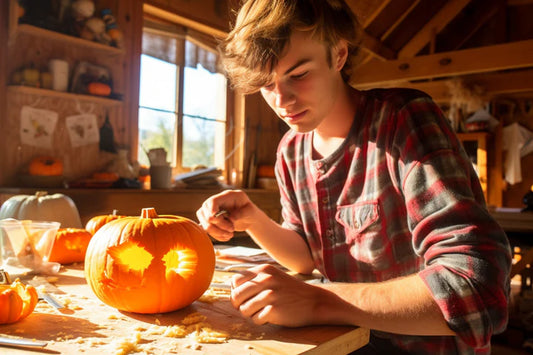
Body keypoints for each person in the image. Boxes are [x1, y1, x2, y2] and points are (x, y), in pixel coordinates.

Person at [195, 0, 512, 353]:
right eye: (266, 84)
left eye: (298, 74)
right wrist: (254, 221)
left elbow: (478, 290)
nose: (282, 100)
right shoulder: (290, 150)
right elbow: (306, 257)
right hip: (342, 343)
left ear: (339, 55)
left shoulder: (403, 121)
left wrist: (318, 300)